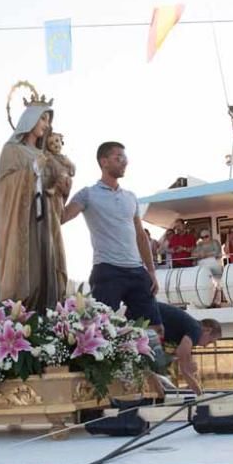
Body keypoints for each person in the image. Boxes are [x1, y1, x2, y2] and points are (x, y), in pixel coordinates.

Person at [63, 141, 162, 331]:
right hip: (108, 270)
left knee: (156, 329)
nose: (124, 162)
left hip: (136, 270)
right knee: (102, 330)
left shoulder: (130, 197)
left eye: (125, 158)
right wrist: (61, 190)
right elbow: (62, 217)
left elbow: (141, 236)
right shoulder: (88, 194)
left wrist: (151, 271)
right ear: (104, 161)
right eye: (119, 158)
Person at [0, 96, 65, 310]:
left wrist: (60, 181)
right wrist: (32, 171)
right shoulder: (12, 150)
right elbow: (4, 186)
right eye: (42, 119)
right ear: (29, 120)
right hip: (23, 223)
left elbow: (56, 188)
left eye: (47, 120)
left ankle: (49, 313)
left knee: (48, 270)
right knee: (29, 274)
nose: (46, 125)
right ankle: (22, 314)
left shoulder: (45, 154)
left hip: (47, 221)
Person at [157, 303, 223, 395]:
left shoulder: (190, 329)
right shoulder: (196, 330)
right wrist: (198, 392)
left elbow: (179, 354)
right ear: (208, 330)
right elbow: (182, 358)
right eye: (209, 342)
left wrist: (189, 369)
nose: (205, 346)